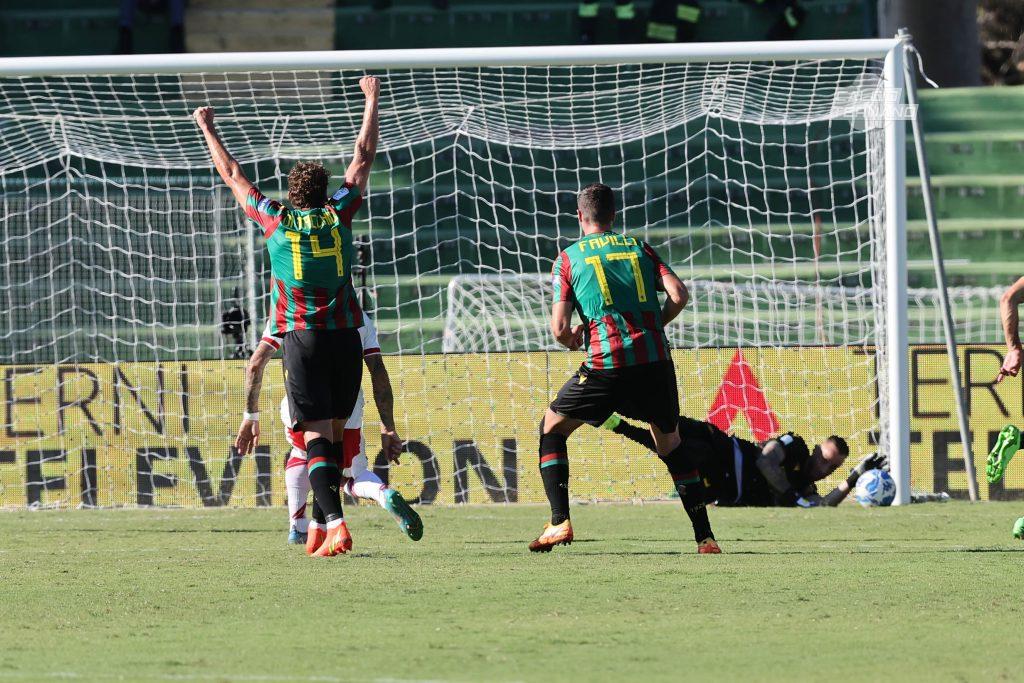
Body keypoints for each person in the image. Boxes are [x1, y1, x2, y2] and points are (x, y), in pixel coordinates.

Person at [194, 75, 380, 557]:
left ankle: (333, 524)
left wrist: (207, 127)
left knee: (314, 438)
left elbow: (233, 174)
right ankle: (320, 530)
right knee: (337, 438)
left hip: (301, 339)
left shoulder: (274, 218)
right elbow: (361, 158)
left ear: (293, 195)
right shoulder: (340, 212)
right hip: (347, 339)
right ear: (323, 192)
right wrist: (371, 99)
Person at [530, 183, 720, 554]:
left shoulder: (568, 258)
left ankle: (559, 522)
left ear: (580, 217)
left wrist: (571, 339)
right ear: (614, 216)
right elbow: (679, 294)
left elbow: (558, 330)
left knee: (551, 427)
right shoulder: (639, 247)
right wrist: (654, 326)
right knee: (671, 445)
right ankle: (705, 537)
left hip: (606, 365)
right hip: (655, 363)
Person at [236, 315, 420, 552]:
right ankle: (377, 497)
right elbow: (377, 369)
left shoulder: (289, 307)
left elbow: (256, 362)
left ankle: (303, 526)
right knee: (347, 471)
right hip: (349, 402)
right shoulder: (357, 315)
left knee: (308, 456)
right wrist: (388, 426)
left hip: (304, 395)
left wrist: (251, 415)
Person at [601, 414, 884, 506]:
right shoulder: (794, 446)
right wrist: (789, 497)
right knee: (673, 423)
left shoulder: (805, 489)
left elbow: (820, 507)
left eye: (831, 467)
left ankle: (619, 426)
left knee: (675, 452)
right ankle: (622, 409)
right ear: (816, 450)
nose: (824, 468)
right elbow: (765, 461)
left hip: (724, 488)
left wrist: (855, 476)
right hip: (728, 452)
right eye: (824, 459)